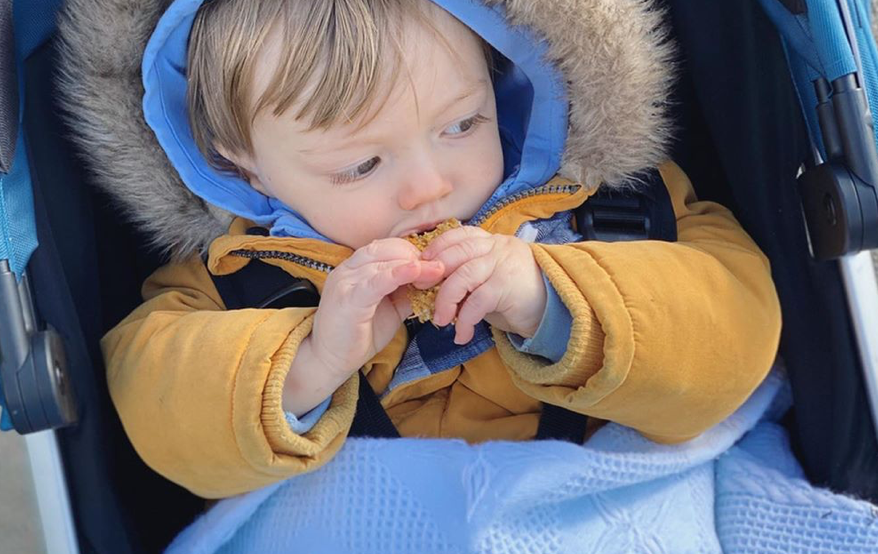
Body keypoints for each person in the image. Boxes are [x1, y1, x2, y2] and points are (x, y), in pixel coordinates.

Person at [101, 0, 781, 499]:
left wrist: (554, 303)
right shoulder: (231, 283)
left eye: (461, 124)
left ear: (503, 81)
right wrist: (308, 363)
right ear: (246, 169)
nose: (429, 187)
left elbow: (739, 336)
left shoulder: (609, 208)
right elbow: (155, 399)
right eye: (362, 166)